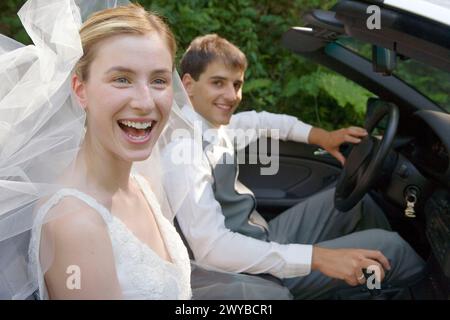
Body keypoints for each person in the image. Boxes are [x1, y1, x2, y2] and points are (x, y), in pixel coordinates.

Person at [161, 34, 425, 299]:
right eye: (218, 83)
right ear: (188, 85)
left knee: (359, 204)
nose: (232, 96)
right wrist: (318, 258)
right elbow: (212, 250)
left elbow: (262, 122)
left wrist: (325, 137)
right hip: (244, 275)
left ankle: (377, 288)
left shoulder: (212, 127)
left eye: (237, 84)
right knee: (391, 249)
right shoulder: (184, 151)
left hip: (259, 237)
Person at [0, 0, 191, 300]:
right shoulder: (75, 224)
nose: (145, 101)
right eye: (122, 79)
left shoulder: (140, 182)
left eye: (158, 80)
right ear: (80, 90)